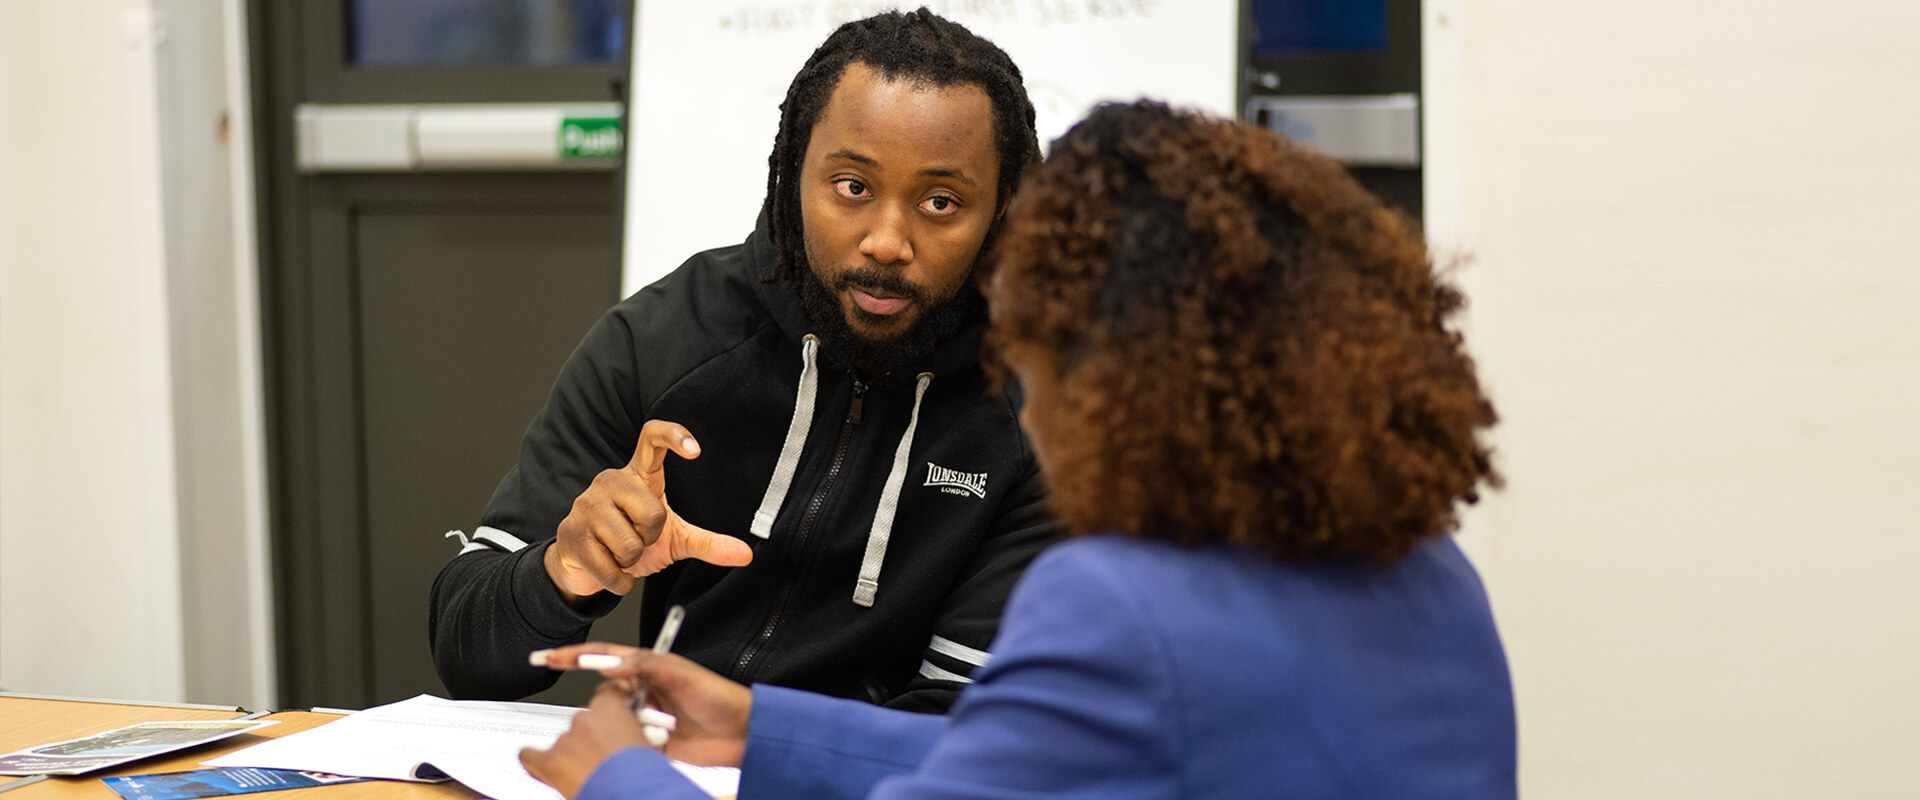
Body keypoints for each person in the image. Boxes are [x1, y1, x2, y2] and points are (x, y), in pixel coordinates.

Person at [518, 100, 1519, 799]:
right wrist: (762, 728)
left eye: (1028, 357)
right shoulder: (1434, 573)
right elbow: (1030, 759)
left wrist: (621, 776)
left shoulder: (1124, 604)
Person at [428, 8, 1058, 713]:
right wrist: (563, 569)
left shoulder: (1040, 415)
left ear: (1002, 212)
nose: (886, 240)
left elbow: (975, 733)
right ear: (793, 173)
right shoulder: (666, 337)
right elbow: (468, 656)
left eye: (940, 202)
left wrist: (755, 736)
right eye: (852, 186)